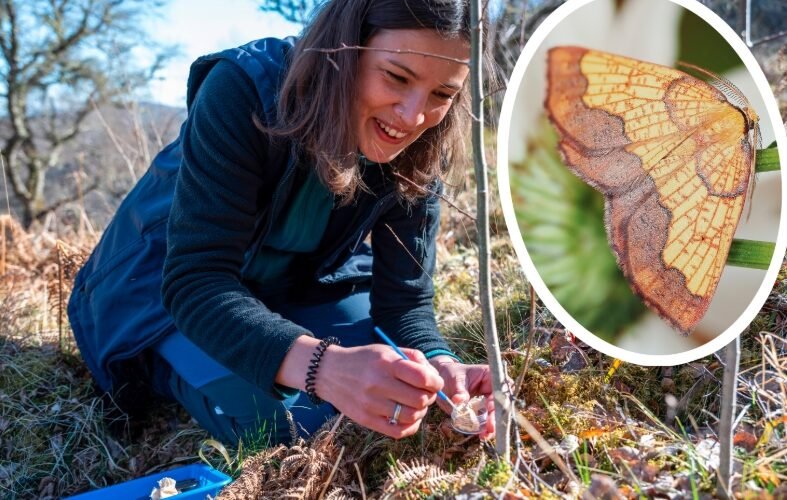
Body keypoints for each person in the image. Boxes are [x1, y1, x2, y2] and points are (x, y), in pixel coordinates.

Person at [68, 0, 497, 446]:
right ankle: (169, 364)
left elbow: (404, 304)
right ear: (345, 49)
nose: (412, 116)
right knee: (295, 425)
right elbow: (197, 281)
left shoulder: (425, 139)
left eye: (442, 95)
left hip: (298, 283)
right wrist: (324, 368)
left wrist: (438, 363)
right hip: (161, 290)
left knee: (405, 384)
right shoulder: (244, 89)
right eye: (396, 77)